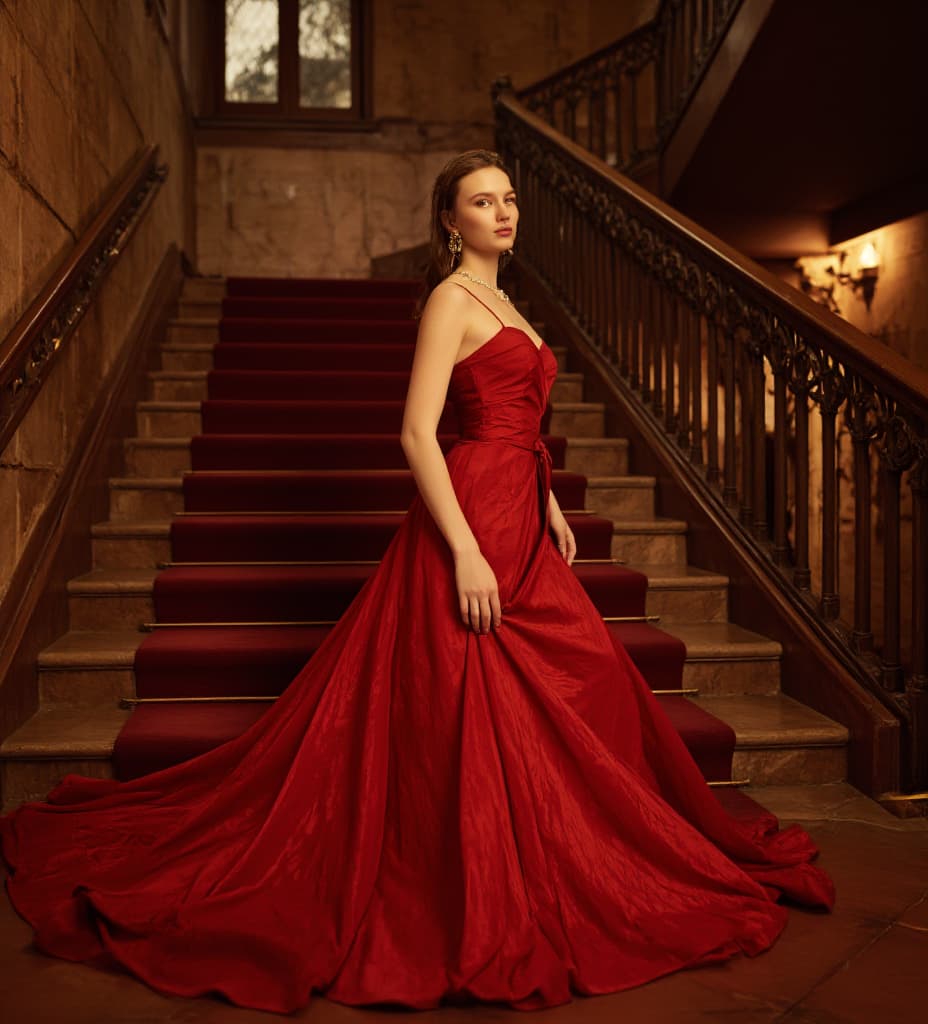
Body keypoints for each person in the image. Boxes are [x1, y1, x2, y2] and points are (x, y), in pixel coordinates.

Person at [0, 149, 834, 1016]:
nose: (503, 212)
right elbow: (416, 432)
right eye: (483, 200)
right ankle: (480, 863)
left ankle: (561, 845)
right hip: (470, 519)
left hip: (518, 511)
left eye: (510, 198)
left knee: (586, 678)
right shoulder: (450, 299)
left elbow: (517, 425)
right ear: (450, 220)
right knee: (468, 696)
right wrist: (466, 548)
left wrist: (546, 502)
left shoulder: (511, 300)